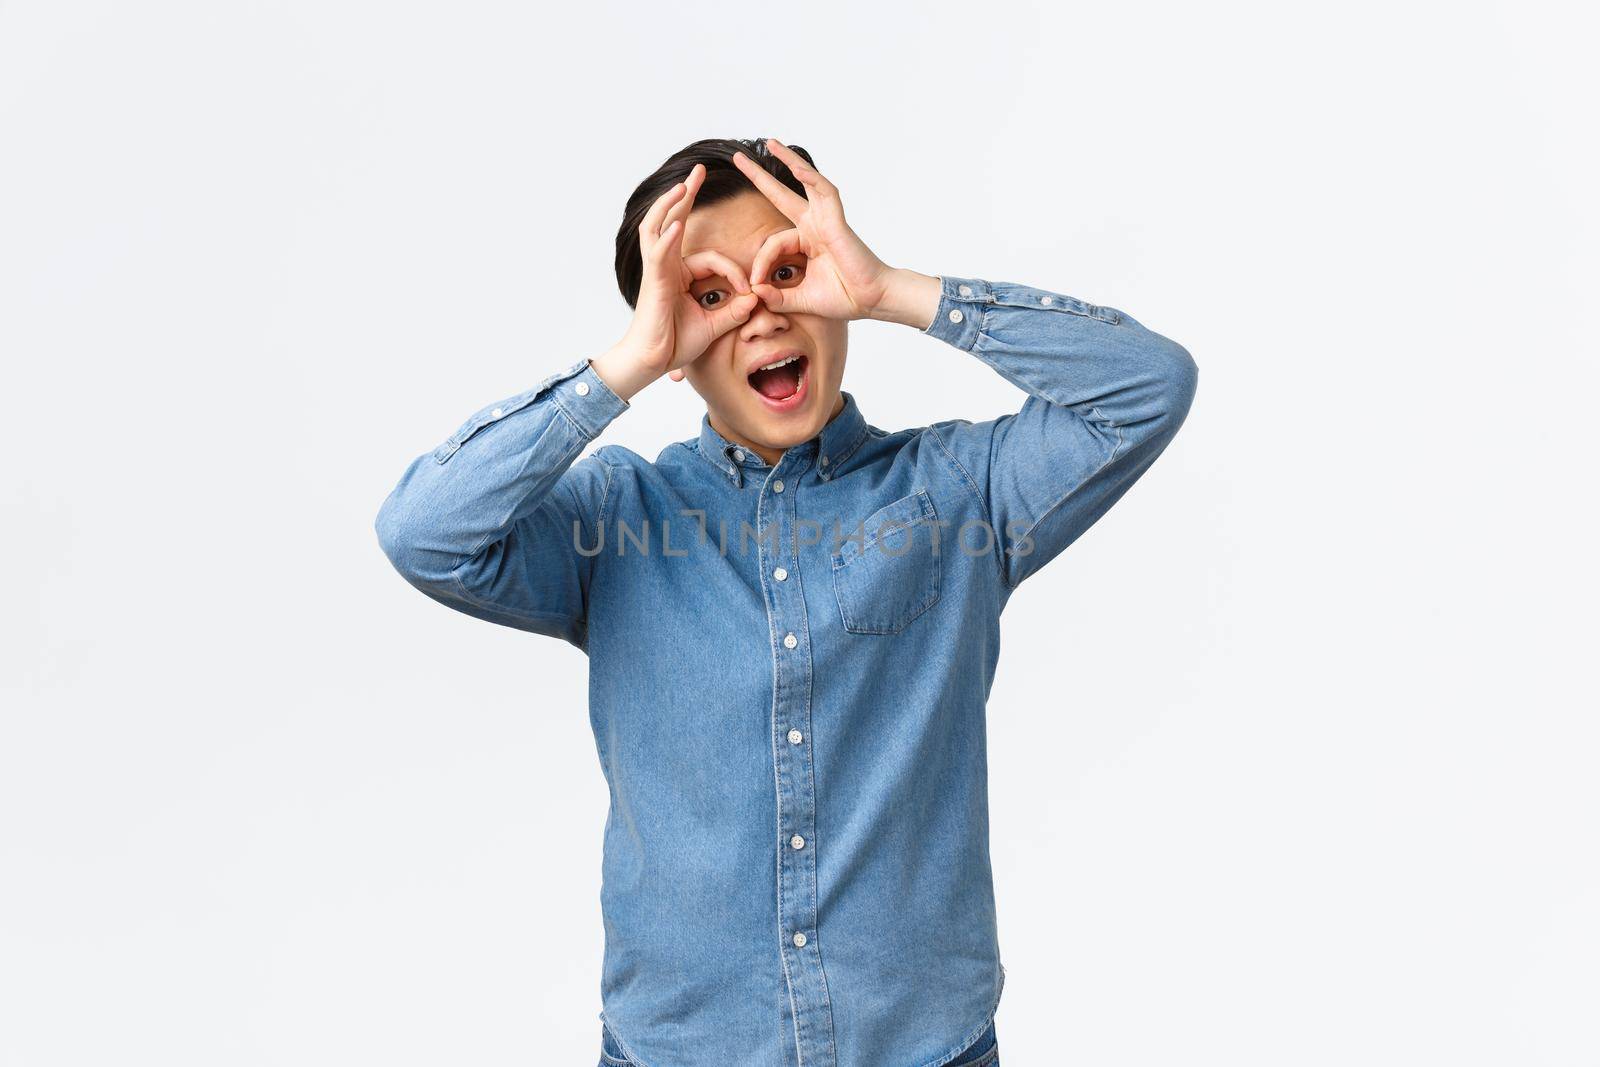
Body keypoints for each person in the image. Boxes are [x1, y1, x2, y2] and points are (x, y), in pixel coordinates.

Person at [375, 136, 1198, 1067]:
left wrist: (894, 290)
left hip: (926, 1048)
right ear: (674, 341)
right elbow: (423, 532)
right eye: (712, 297)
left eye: (790, 269)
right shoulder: (614, 518)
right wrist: (627, 365)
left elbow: (1149, 388)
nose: (762, 315)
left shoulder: (960, 492)